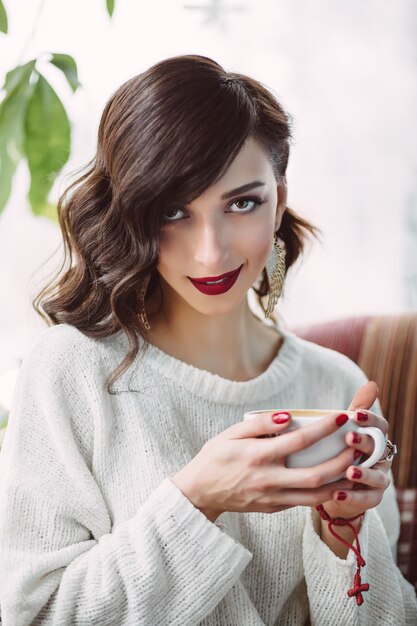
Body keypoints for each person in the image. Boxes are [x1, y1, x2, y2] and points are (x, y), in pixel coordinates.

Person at [0, 54, 415, 626]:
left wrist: (342, 541)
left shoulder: (336, 384)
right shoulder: (72, 371)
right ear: (132, 213)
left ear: (280, 199)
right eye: (174, 211)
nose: (211, 252)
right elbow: (37, 615)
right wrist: (198, 498)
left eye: (242, 202)